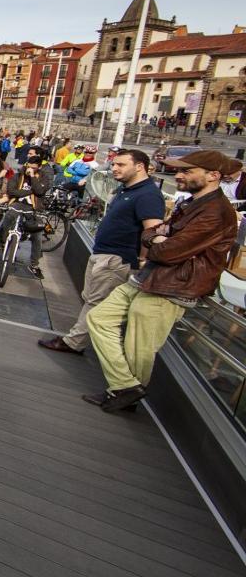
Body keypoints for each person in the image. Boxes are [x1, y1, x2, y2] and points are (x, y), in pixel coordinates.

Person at [83, 150, 239, 412]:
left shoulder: (215, 211)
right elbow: (151, 234)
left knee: (139, 345)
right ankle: (125, 386)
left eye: (187, 171)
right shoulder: (192, 203)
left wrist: (159, 241)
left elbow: (168, 250)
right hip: (151, 278)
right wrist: (158, 239)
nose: (178, 175)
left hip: (173, 285)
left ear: (213, 176)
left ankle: (122, 395)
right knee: (99, 318)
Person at [40, 150, 166, 355]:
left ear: (140, 166)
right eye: (114, 164)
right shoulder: (126, 189)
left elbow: (151, 231)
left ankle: (74, 342)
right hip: (104, 254)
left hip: (118, 258)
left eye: (121, 165)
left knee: (96, 302)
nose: (114, 168)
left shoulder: (148, 195)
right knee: (91, 298)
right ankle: (78, 341)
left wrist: (143, 259)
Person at [0, 154, 52, 279]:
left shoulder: (43, 178)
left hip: (34, 208)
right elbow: (11, 191)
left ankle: (34, 265)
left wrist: (33, 178)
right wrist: (29, 191)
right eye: (29, 167)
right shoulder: (18, 176)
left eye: (34, 168)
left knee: (37, 236)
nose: (30, 170)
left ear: (39, 168)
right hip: (17, 203)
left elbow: (39, 191)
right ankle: (3, 240)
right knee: (9, 216)